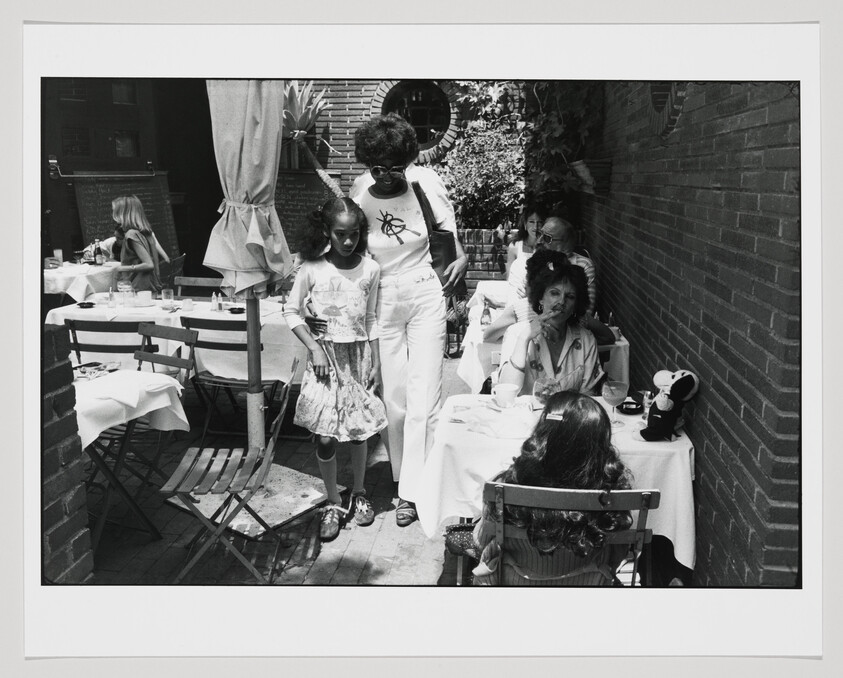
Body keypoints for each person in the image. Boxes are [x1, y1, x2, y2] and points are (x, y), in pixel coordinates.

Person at [349, 113, 468, 527]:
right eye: (376, 168)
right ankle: (403, 475)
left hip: (423, 292)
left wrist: (463, 259)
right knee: (394, 400)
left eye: (394, 168)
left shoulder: (427, 183)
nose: (384, 177)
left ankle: (413, 493)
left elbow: (451, 235)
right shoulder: (360, 190)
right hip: (380, 295)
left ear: (409, 160)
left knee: (426, 398)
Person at [283, 197, 387, 541]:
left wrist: (376, 363)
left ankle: (358, 492)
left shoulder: (371, 269)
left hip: (357, 359)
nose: (347, 241)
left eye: (354, 234)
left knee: (359, 431)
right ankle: (332, 499)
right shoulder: (312, 268)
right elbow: (291, 310)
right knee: (326, 436)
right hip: (324, 360)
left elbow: (371, 318)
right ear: (326, 231)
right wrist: (314, 348)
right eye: (340, 234)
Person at [470, 391, 634, 585]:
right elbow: (617, 555)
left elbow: (481, 542)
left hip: (514, 586)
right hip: (590, 589)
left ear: (543, 433)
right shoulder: (613, 495)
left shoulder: (507, 486)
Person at [498, 257, 605, 396]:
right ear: (541, 298)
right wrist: (524, 338)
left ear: (575, 305)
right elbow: (506, 394)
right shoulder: (516, 333)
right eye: (554, 293)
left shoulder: (586, 339)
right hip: (524, 415)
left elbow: (587, 396)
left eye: (570, 296)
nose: (561, 301)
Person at [109, 195, 170, 292]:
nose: (113, 215)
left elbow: (149, 264)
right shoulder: (146, 232)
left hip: (138, 288)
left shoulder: (131, 234)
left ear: (122, 213)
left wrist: (121, 268)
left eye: (114, 211)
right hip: (150, 286)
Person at [536, 215, 597, 314]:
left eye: (547, 238)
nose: (539, 240)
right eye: (540, 234)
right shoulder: (539, 262)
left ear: (564, 242)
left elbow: (587, 309)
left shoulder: (583, 265)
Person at [505, 205, 545, 301]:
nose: (535, 226)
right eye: (531, 222)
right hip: (517, 294)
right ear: (525, 224)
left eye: (539, 222)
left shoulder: (547, 247)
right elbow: (509, 277)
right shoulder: (514, 246)